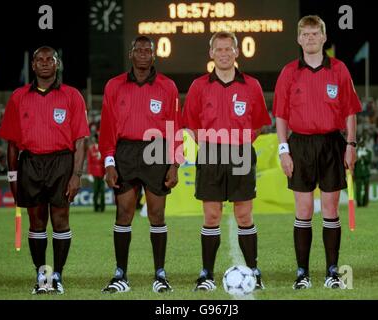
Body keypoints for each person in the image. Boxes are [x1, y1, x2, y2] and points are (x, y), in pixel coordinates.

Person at [273, 15, 362, 290]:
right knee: (303, 210)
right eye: (305, 34)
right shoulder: (289, 71)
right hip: (299, 144)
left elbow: (349, 110)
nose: (310, 38)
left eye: (315, 34)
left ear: (323, 37)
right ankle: (302, 273)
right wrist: (284, 150)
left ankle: (332, 272)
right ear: (299, 39)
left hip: (332, 144)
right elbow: (281, 115)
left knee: (331, 210)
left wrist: (350, 144)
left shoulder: (339, 69)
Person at [183, 31, 271, 291]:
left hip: (241, 152)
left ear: (236, 52)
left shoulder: (251, 85)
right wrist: (211, 143)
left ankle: (253, 271)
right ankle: (206, 274)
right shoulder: (199, 85)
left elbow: (258, 125)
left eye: (228, 49)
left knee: (244, 215)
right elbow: (190, 124)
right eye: (218, 49)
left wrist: (237, 143)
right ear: (211, 53)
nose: (223, 54)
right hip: (210, 153)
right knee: (211, 216)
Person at [0, 46, 90, 294]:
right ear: (33, 66)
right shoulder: (19, 96)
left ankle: (57, 276)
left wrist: (76, 174)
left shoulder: (72, 96)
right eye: (40, 59)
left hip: (62, 163)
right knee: (36, 222)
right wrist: (13, 176)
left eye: (50, 59)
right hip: (31, 163)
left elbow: (81, 140)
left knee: (60, 220)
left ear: (57, 64)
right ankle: (43, 277)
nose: (45, 63)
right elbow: (11, 144)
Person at [99, 36, 181, 293]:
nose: (144, 54)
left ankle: (160, 273)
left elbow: (174, 127)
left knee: (156, 214)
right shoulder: (114, 86)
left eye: (148, 50)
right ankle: (120, 273)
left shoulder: (168, 86)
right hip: (124, 151)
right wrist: (109, 161)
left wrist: (175, 163)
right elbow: (107, 128)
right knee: (124, 213)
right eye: (139, 50)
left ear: (154, 56)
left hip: (156, 150)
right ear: (131, 54)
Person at [87, 133, 106, 212]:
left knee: (102, 191)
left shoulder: (103, 149)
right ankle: (95, 207)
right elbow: (89, 162)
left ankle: (102, 207)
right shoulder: (91, 149)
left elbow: (105, 161)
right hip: (95, 173)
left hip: (102, 173)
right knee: (95, 192)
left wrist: (106, 173)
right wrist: (89, 173)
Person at [354, 140, 372, 207]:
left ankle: (365, 203)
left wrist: (363, 157)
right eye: (360, 143)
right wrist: (357, 158)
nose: (362, 144)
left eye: (363, 143)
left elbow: (369, 161)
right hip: (358, 173)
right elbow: (353, 162)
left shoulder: (368, 152)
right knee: (358, 189)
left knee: (366, 189)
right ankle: (359, 203)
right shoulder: (355, 152)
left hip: (366, 173)